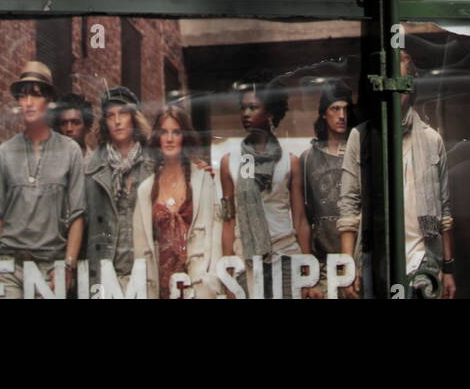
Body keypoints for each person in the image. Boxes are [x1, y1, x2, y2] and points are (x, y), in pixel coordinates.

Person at [338, 53, 455, 299]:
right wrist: (349, 267)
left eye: (402, 82)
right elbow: (348, 206)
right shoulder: (361, 137)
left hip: (424, 261)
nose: (395, 89)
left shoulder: (432, 140)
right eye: (390, 81)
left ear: (411, 85)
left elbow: (444, 211)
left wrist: (448, 268)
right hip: (375, 260)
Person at [0, 61, 86, 299]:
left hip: (50, 267)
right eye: (23, 95)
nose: (28, 103)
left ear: (48, 100)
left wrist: (68, 267)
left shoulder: (70, 151)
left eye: (36, 95)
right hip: (8, 266)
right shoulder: (5, 152)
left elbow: (77, 215)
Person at [220, 76, 311, 299]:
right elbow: (229, 221)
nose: (246, 114)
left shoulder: (290, 161)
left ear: (269, 113)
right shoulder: (229, 162)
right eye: (243, 108)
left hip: (286, 255)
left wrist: (308, 270)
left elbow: (299, 219)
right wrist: (228, 271)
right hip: (246, 261)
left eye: (253, 108)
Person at [132, 104, 221, 299]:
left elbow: (216, 236)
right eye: (164, 132)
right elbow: (141, 250)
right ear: (157, 138)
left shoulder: (203, 181)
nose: (170, 139)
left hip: (198, 286)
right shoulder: (146, 190)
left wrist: (211, 282)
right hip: (160, 288)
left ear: (185, 137)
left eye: (176, 132)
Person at [85, 85, 153, 292]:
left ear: (134, 117)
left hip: (144, 269)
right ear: (104, 122)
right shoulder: (90, 167)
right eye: (110, 115)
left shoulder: (153, 163)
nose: (117, 121)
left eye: (123, 113)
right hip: (106, 272)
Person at [300, 80, 355, 298]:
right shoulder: (308, 159)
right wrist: (307, 271)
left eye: (346, 109)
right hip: (322, 263)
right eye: (335, 108)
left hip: (355, 256)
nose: (342, 115)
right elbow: (303, 216)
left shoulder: (359, 154)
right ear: (324, 113)